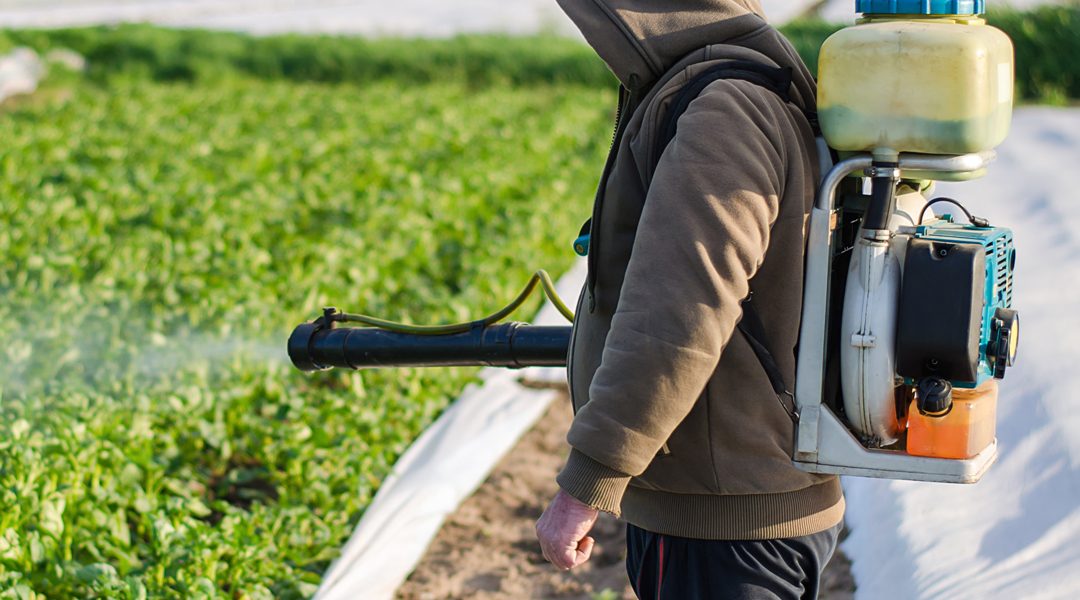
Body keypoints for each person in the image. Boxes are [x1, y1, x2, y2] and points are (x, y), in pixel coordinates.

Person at [534, 1, 845, 598]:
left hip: (722, 526)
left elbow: (679, 314)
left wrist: (589, 478)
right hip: (744, 504)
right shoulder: (748, 83)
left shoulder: (724, 107)